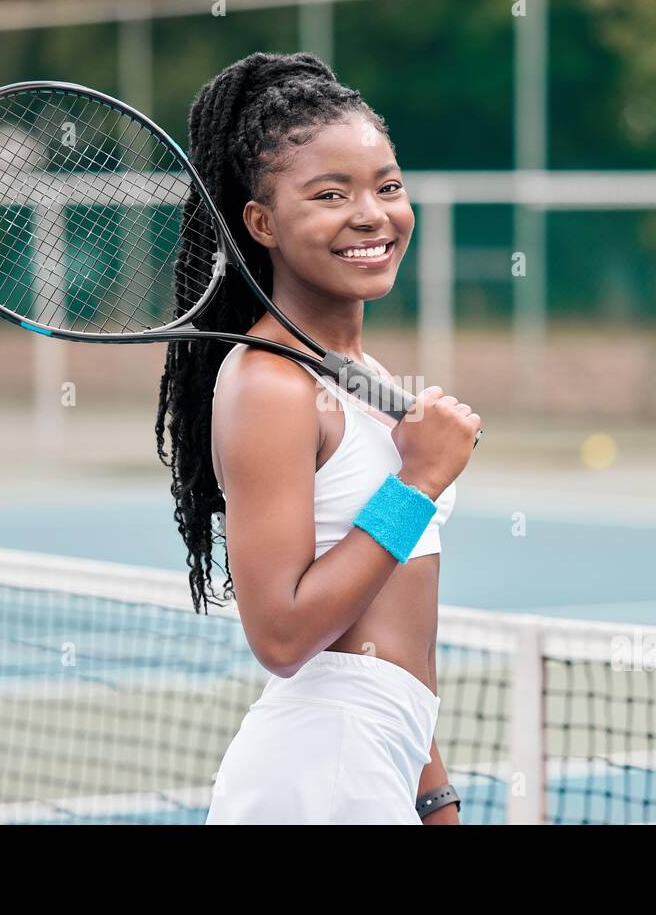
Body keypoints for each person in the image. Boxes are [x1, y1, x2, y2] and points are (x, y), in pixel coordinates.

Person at [154, 51, 480, 824]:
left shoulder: (361, 374)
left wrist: (435, 799)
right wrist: (418, 482)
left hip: (378, 761)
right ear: (261, 222)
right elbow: (284, 633)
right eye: (330, 194)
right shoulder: (268, 383)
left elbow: (392, 625)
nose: (371, 213)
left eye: (388, 186)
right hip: (319, 775)